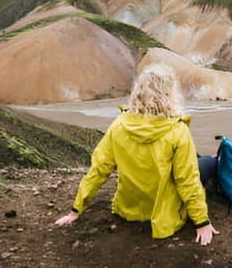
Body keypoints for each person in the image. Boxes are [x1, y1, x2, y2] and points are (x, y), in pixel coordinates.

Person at [54, 65, 219, 245]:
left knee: (194, 158)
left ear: (138, 92)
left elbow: (98, 170)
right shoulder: (178, 131)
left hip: (130, 208)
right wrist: (202, 222)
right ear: (169, 94)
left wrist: (76, 210)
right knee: (209, 163)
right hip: (163, 211)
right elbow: (186, 180)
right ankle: (228, 162)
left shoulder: (118, 126)